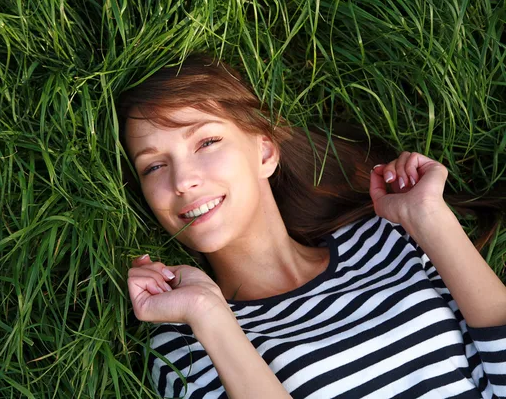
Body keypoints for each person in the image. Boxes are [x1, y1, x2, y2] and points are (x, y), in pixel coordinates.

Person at [117, 54, 506, 398]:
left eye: (206, 142)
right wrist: (208, 312)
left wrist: (430, 218)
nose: (182, 180)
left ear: (265, 153)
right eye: (154, 166)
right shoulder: (189, 339)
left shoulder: (385, 239)